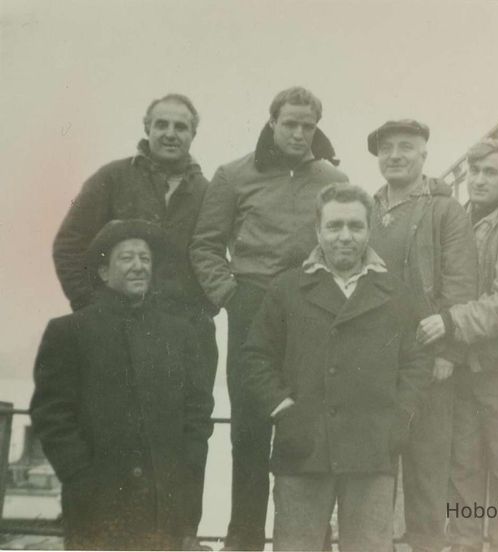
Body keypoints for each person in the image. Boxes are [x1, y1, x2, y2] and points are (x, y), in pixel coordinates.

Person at [51, 93, 216, 546]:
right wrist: (93, 313)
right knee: (112, 437)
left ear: (193, 134)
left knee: (189, 437)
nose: (170, 133)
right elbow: (69, 246)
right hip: (116, 334)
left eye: (180, 127)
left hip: (186, 339)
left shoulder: (208, 190)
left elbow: (225, 251)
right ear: (146, 127)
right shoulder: (112, 178)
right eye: (161, 124)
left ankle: (181, 537)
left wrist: (210, 305)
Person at [189, 86, 348, 550]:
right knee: (250, 431)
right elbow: (205, 245)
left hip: (310, 309)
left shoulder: (332, 180)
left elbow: (345, 241)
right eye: (290, 124)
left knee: (307, 425)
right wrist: (230, 296)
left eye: (308, 126)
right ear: (272, 122)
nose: (299, 133)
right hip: (252, 305)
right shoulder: (234, 174)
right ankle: (244, 539)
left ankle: (305, 539)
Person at [239, 183, 430, 551]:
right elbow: (255, 356)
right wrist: (283, 410)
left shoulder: (395, 292)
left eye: (356, 227)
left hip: (373, 446)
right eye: (335, 226)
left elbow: (417, 361)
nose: (345, 236)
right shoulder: (287, 288)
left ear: (369, 230)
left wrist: (401, 415)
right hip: (303, 444)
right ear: (318, 231)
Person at [31, 220, 214, 550]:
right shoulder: (69, 333)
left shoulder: (180, 333)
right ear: (103, 271)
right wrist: (80, 477)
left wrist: (186, 475)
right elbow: (51, 415)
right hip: (96, 506)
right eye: (127, 258)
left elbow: (197, 412)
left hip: (165, 506)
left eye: (145, 258)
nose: (139, 267)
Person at [418, 139, 498, 552]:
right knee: (463, 472)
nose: (477, 180)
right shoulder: (460, 221)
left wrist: (451, 323)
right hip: (466, 367)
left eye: (490, 172)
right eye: (473, 171)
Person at [367, 119, 478, 552]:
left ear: (423, 154)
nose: (395, 155)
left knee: (427, 471)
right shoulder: (369, 209)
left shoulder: (444, 210)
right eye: (387, 148)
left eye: (406, 147)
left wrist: (448, 349)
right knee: (375, 472)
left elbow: (461, 282)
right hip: (376, 361)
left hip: (428, 357)